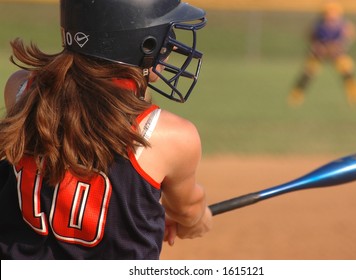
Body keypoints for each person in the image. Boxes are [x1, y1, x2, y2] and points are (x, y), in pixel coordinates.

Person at [0, 0, 212, 260]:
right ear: (144, 42)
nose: (171, 44)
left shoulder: (21, 91)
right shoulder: (167, 135)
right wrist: (197, 219)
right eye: (166, 33)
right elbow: (188, 208)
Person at [288, 1, 356, 107]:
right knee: (307, 73)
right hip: (320, 53)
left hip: (336, 53)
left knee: (348, 71)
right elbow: (311, 37)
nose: (330, 16)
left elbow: (347, 38)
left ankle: (355, 97)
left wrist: (338, 47)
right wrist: (317, 47)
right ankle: (296, 96)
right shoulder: (318, 25)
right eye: (328, 13)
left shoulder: (343, 26)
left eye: (333, 13)